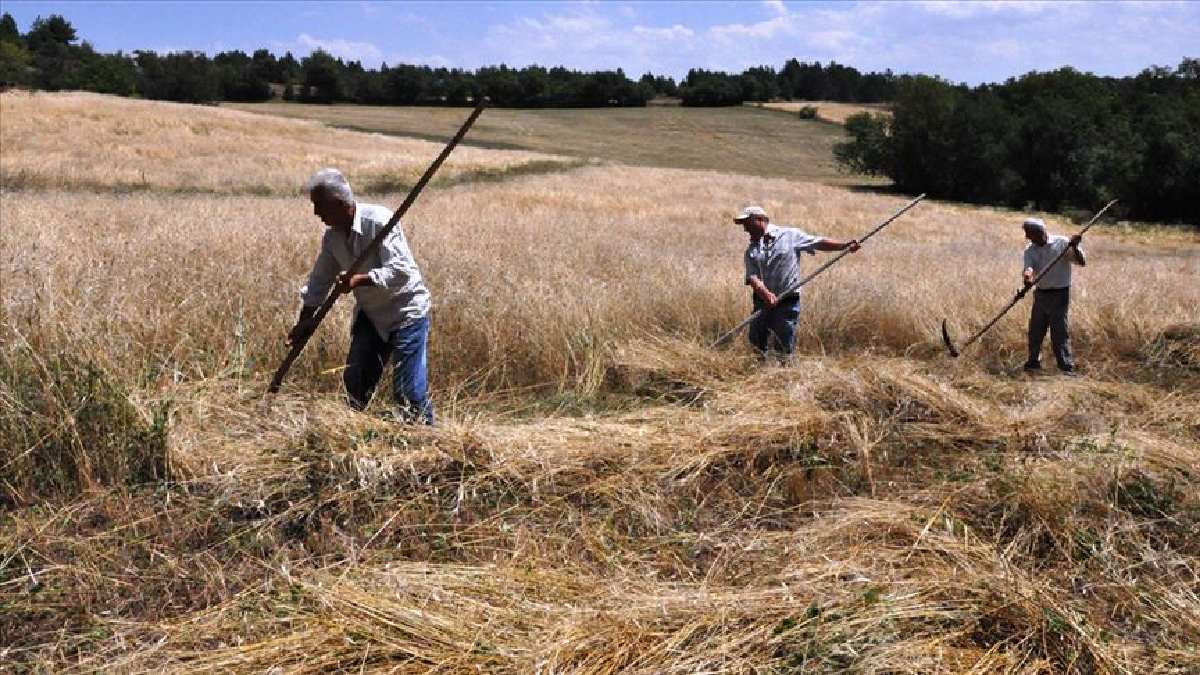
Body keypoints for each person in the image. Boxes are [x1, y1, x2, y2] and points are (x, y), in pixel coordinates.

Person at [288, 168, 435, 423]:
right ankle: (357, 438)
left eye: (319, 206)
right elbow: (319, 282)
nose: (316, 213)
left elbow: (403, 272)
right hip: (372, 316)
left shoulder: (379, 221)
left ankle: (430, 444)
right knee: (355, 386)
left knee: (408, 393)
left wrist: (362, 279)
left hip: (406, 313)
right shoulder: (333, 238)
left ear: (339, 204)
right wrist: (305, 320)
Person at [736, 205, 860, 359]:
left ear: (760, 220)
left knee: (784, 344)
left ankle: (783, 373)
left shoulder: (790, 235)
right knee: (756, 341)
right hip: (762, 302)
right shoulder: (751, 251)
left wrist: (843, 246)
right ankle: (758, 371)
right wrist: (766, 295)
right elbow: (753, 278)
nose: (745, 229)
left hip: (787, 301)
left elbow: (818, 242)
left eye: (747, 224)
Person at [1021, 217, 1085, 374]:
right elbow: (1028, 269)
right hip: (1041, 294)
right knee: (1035, 330)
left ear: (1040, 232)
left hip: (1060, 294)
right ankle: (1033, 363)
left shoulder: (1062, 243)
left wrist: (1075, 247)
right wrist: (1027, 278)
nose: (1027, 237)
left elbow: (1082, 262)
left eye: (1029, 234)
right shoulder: (1030, 250)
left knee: (1059, 332)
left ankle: (1066, 367)